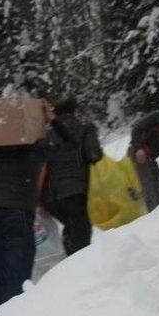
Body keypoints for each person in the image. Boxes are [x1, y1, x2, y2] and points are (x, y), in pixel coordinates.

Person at [0, 134, 49, 310]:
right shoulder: (35, 149)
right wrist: (50, 121)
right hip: (18, 215)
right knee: (18, 279)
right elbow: (66, 144)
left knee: (1, 277)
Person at [42, 97, 103, 256]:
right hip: (75, 192)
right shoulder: (85, 128)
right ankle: (77, 274)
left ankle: (69, 264)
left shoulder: (45, 133)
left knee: (72, 230)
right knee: (80, 238)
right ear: (75, 111)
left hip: (50, 198)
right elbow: (94, 154)